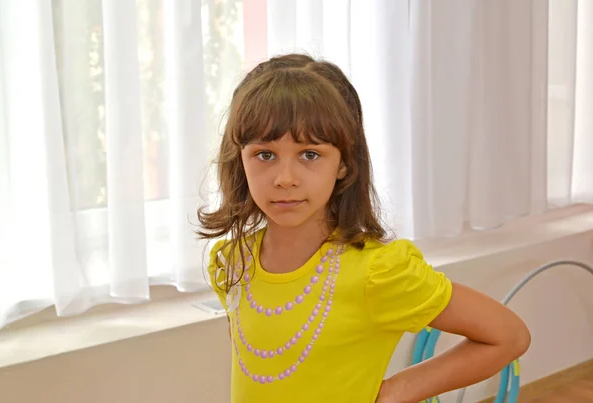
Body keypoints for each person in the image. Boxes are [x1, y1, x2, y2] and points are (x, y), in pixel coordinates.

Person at [197, 53, 531, 403]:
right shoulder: (231, 263)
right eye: (265, 154)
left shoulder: (378, 273)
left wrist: (393, 393)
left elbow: (508, 336)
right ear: (241, 159)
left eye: (310, 154)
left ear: (344, 163)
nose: (284, 179)